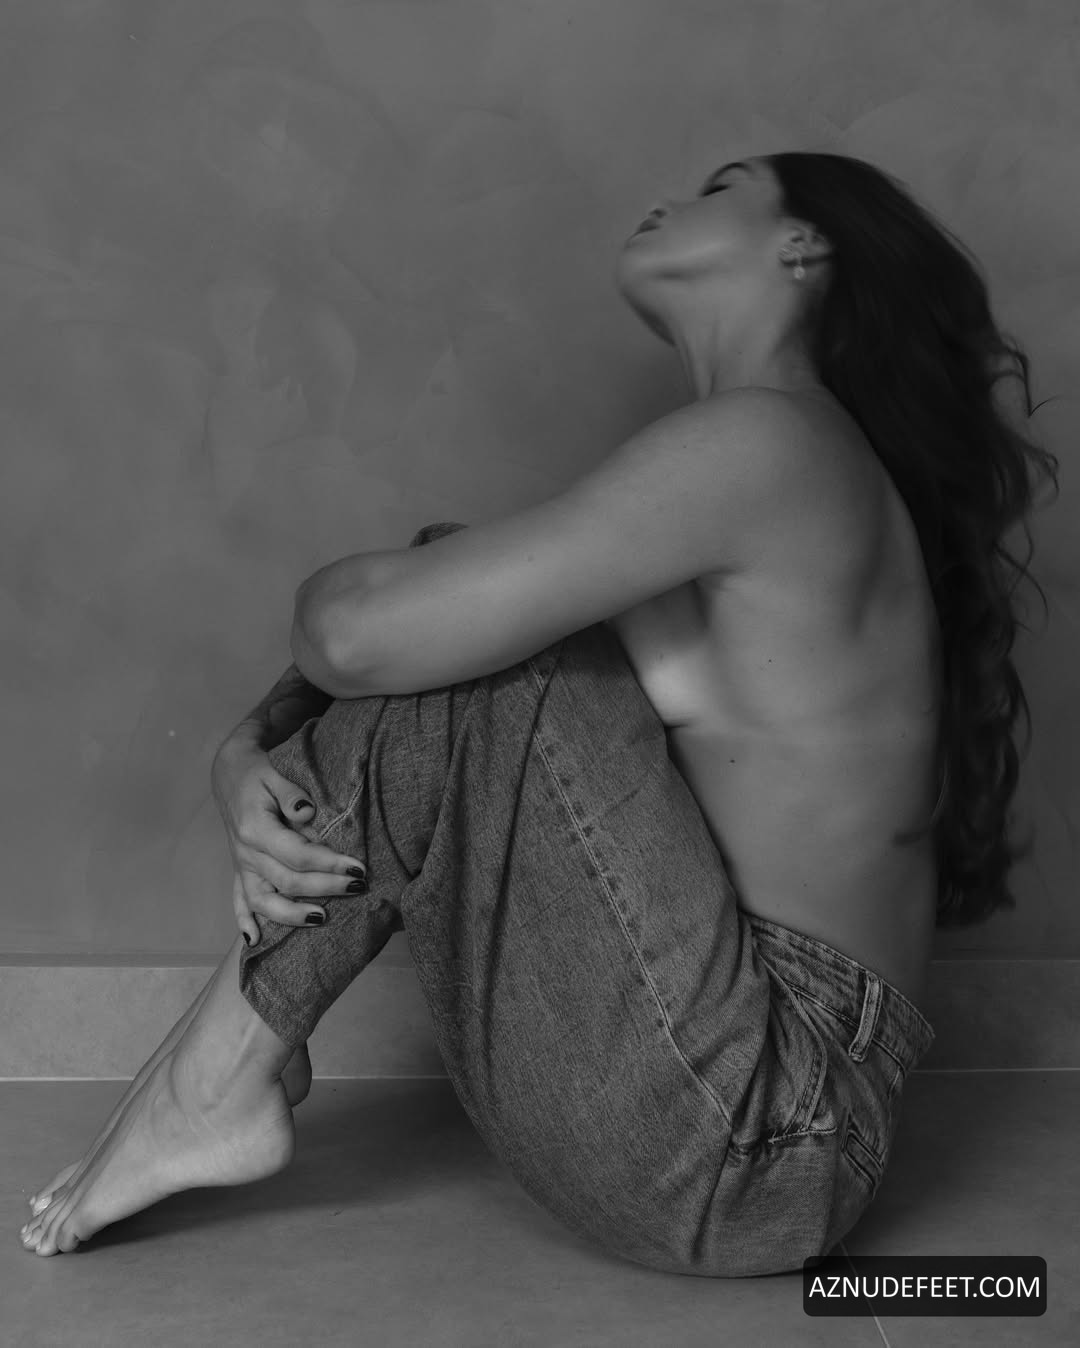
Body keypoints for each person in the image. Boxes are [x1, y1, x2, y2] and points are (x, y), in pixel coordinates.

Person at [21, 152, 1058, 1272]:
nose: (672, 195)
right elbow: (421, 638)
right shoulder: (772, 463)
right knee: (474, 612)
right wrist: (244, 754)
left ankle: (212, 1078)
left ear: (802, 246)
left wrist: (273, 730)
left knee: (483, 625)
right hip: (748, 1124)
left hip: (762, 1125)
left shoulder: (772, 443)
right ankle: (215, 1075)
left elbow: (353, 632)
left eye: (724, 186)